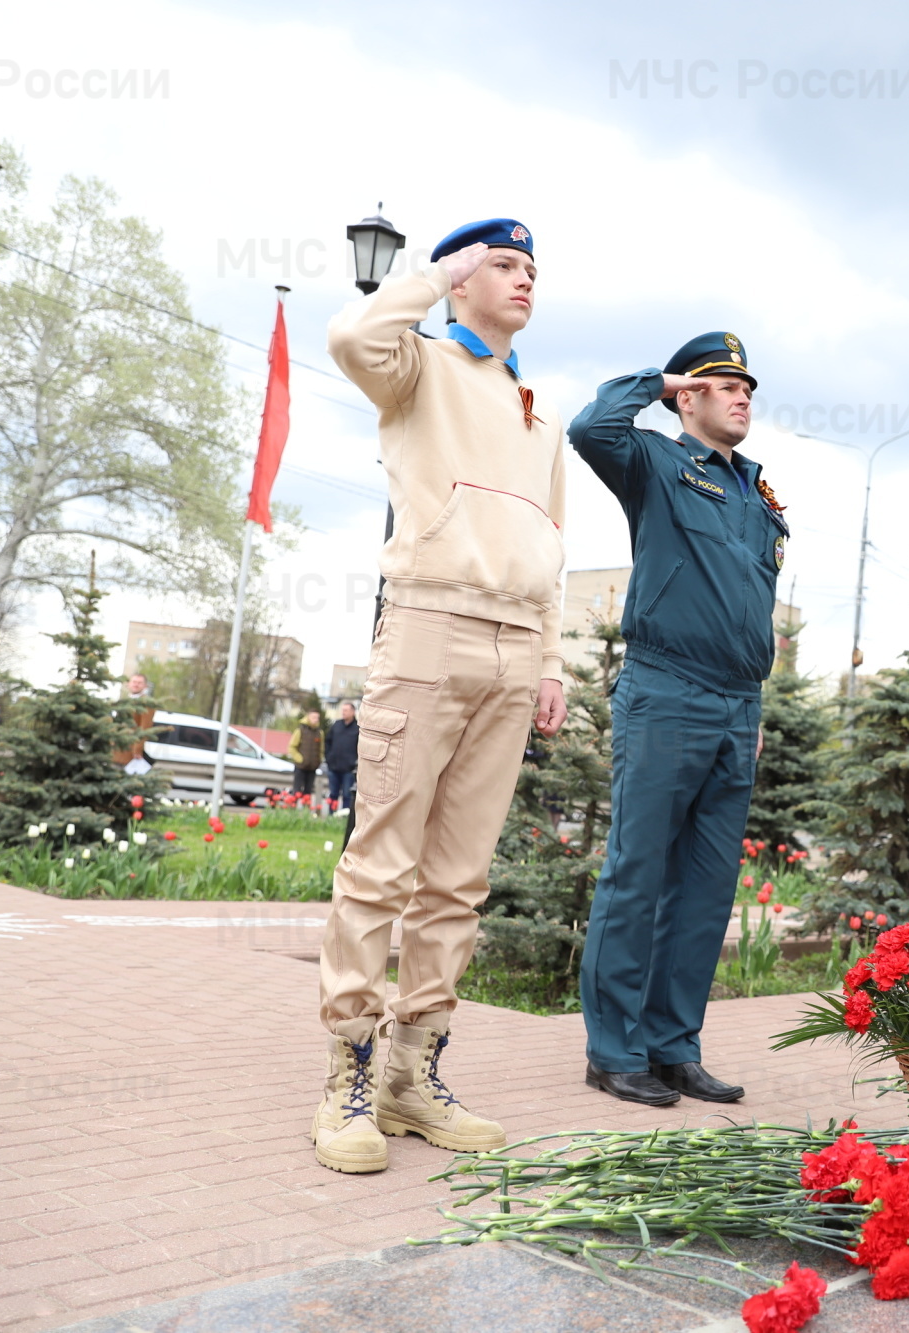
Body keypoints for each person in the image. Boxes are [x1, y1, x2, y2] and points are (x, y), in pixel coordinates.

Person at [311, 216, 570, 1174]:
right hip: (427, 625)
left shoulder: (539, 408)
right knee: (382, 866)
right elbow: (350, 339)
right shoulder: (416, 366)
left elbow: (551, 544)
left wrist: (549, 659)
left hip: (511, 647)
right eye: (503, 264)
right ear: (462, 278)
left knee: (458, 880)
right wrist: (430, 274)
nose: (522, 280)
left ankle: (411, 1076)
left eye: (531, 269)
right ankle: (345, 1073)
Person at [567, 332, 783, 1107]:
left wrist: (754, 702)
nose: (742, 396)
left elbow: (751, 607)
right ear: (688, 397)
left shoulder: (759, 497)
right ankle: (614, 1048)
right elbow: (591, 428)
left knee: (704, 886)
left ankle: (671, 1044)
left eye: (746, 387)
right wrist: (660, 383)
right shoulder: (656, 463)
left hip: (737, 706)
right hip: (666, 691)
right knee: (638, 871)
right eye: (723, 385)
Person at [324, 701, 360, 811]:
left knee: (347, 795)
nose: (343, 712)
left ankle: (344, 818)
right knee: (333, 794)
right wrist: (328, 758)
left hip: (348, 770)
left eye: (346, 710)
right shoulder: (336, 725)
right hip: (333, 767)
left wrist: (353, 763)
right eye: (342, 710)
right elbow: (327, 742)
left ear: (353, 712)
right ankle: (331, 818)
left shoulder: (357, 728)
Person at [287, 709, 324, 800]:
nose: (316, 719)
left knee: (308, 792)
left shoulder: (320, 733)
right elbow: (292, 747)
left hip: (312, 767)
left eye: (317, 718)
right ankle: (293, 811)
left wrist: (319, 760)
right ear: (308, 718)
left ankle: (305, 812)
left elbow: (321, 749)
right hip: (300, 766)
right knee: (297, 790)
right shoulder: (300, 730)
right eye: (314, 717)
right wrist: (300, 759)